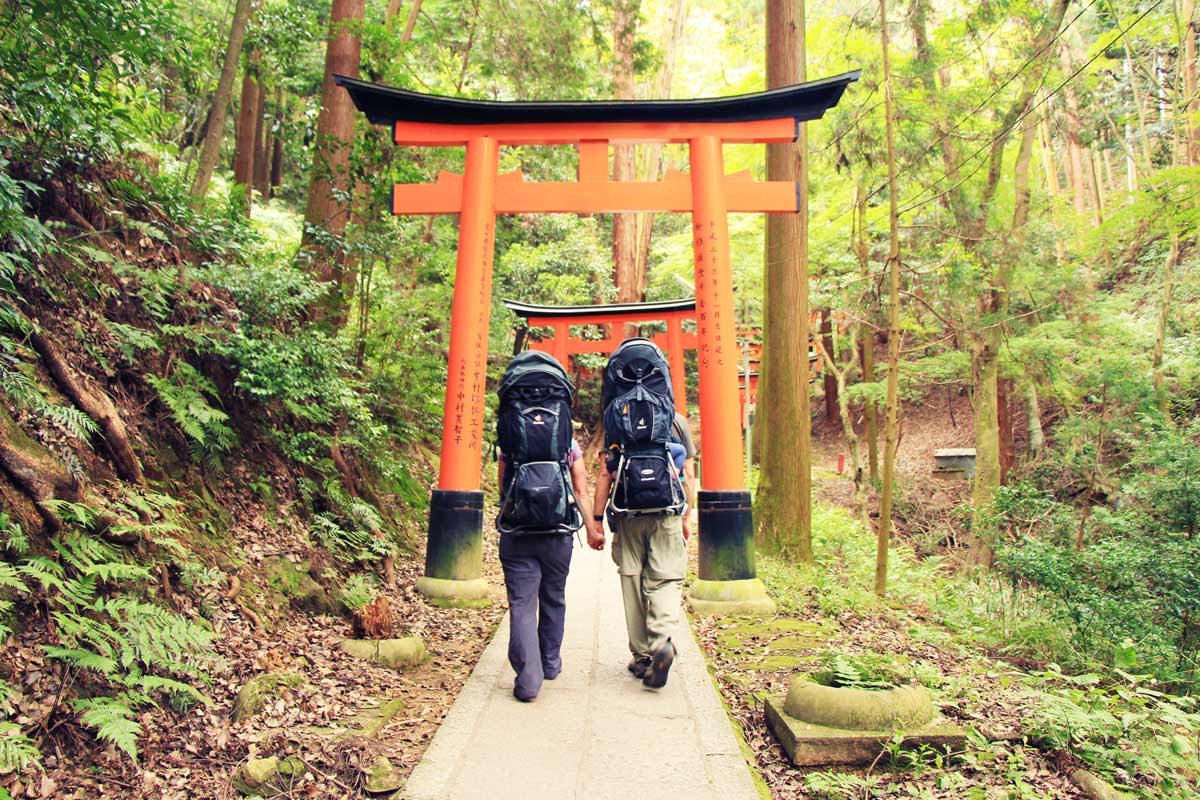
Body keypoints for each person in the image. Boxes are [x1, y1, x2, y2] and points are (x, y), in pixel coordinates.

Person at [589, 411, 697, 688]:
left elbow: (605, 473)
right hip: (666, 513)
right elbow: (688, 472)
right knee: (666, 579)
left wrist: (597, 520)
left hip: (628, 514)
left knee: (632, 580)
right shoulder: (676, 420)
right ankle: (662, 641)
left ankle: (642, 656)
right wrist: (686, 516)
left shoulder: (615, 418)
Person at [498, 437, 598, 701]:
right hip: (557, 534)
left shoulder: (511, 441)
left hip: (518, 534)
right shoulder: (568, 443)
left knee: (522, 604)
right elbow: (581, 490)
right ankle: (550, 664)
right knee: (554, 597)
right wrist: (591, 528)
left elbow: (504, 489)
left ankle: (529, 678)